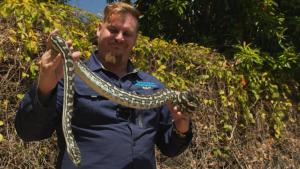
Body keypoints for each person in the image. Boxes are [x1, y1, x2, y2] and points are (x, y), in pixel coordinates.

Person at [15, 2, 193, 169]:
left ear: (135, 40)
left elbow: (170, 147)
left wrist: (181, 127)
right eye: (113, 30)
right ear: (99, 30)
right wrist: (44, 88)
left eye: (127, 33)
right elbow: (29, 132)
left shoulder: (153, 85)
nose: (119, 38)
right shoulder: (68, 76)